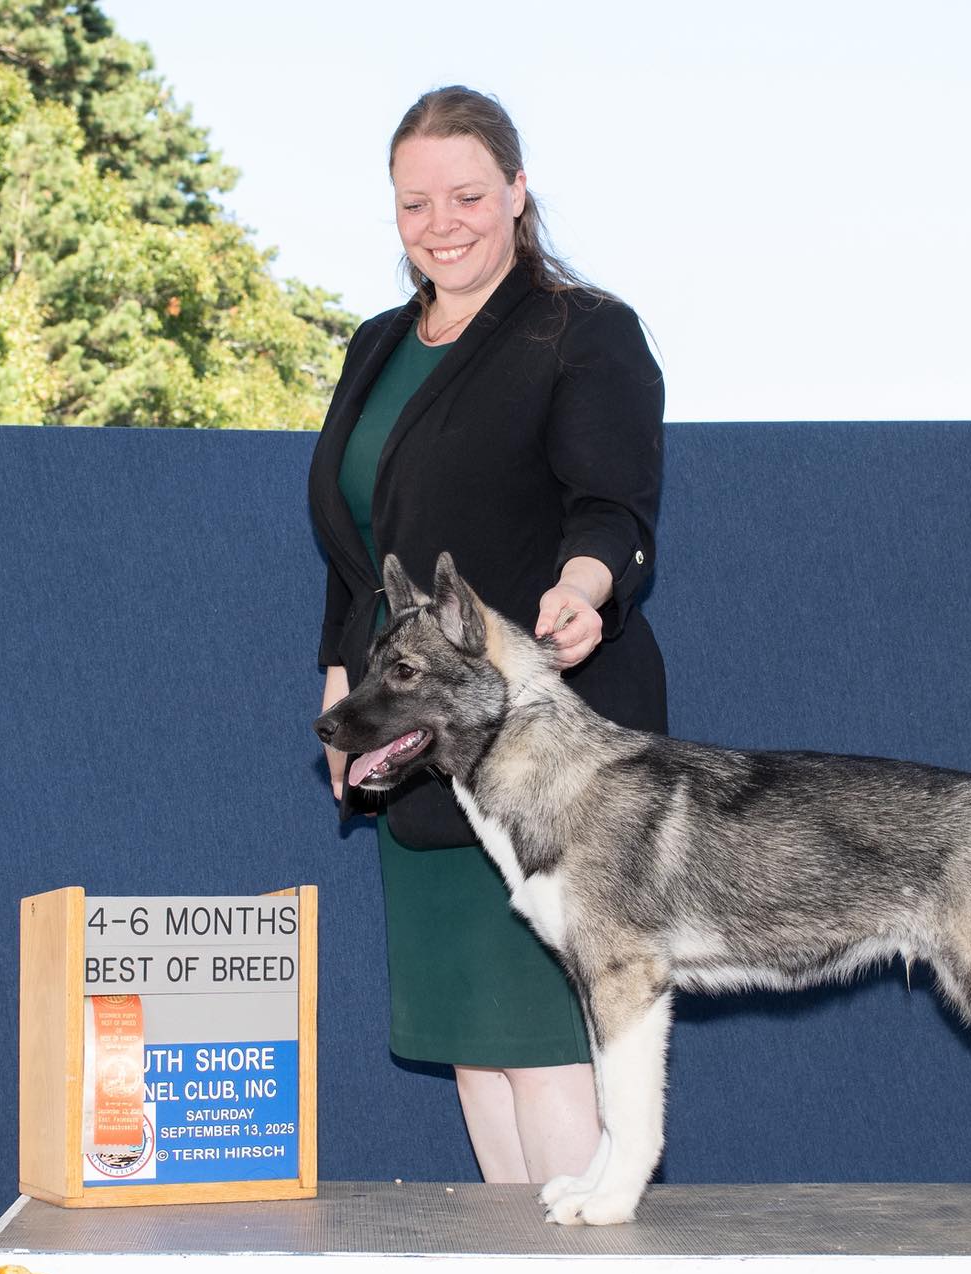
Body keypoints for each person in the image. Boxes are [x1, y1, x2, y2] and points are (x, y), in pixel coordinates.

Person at [309, 85, 668, 1187]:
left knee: (549, 1044)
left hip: (546, 747)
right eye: (414, 203)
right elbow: (354, 549)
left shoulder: (584, 330)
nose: (441, 223)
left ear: (517, 192)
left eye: (466, 194)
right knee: (475, 1046)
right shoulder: (374, 345)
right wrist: (340, 701)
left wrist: (585, 586)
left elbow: (611, 507)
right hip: (416, 750)